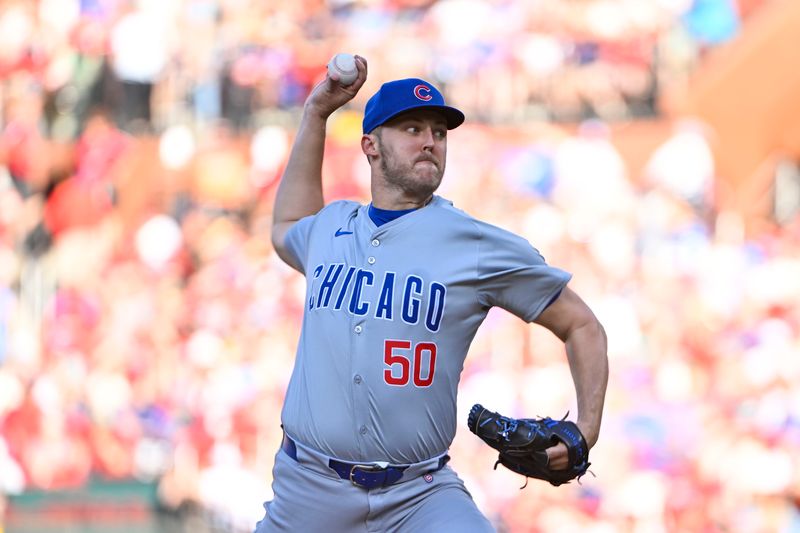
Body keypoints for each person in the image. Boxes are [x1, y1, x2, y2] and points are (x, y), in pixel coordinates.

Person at [256, 55, 609, 532]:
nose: (430, 142)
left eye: (439, 133)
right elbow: (286, 226)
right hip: (308, 491)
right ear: (371, 146)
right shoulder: (331, 228)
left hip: (417, 496)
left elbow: (582, 324)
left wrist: (585, 430)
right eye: (412, 128)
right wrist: (316, 114)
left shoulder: (476, 243)